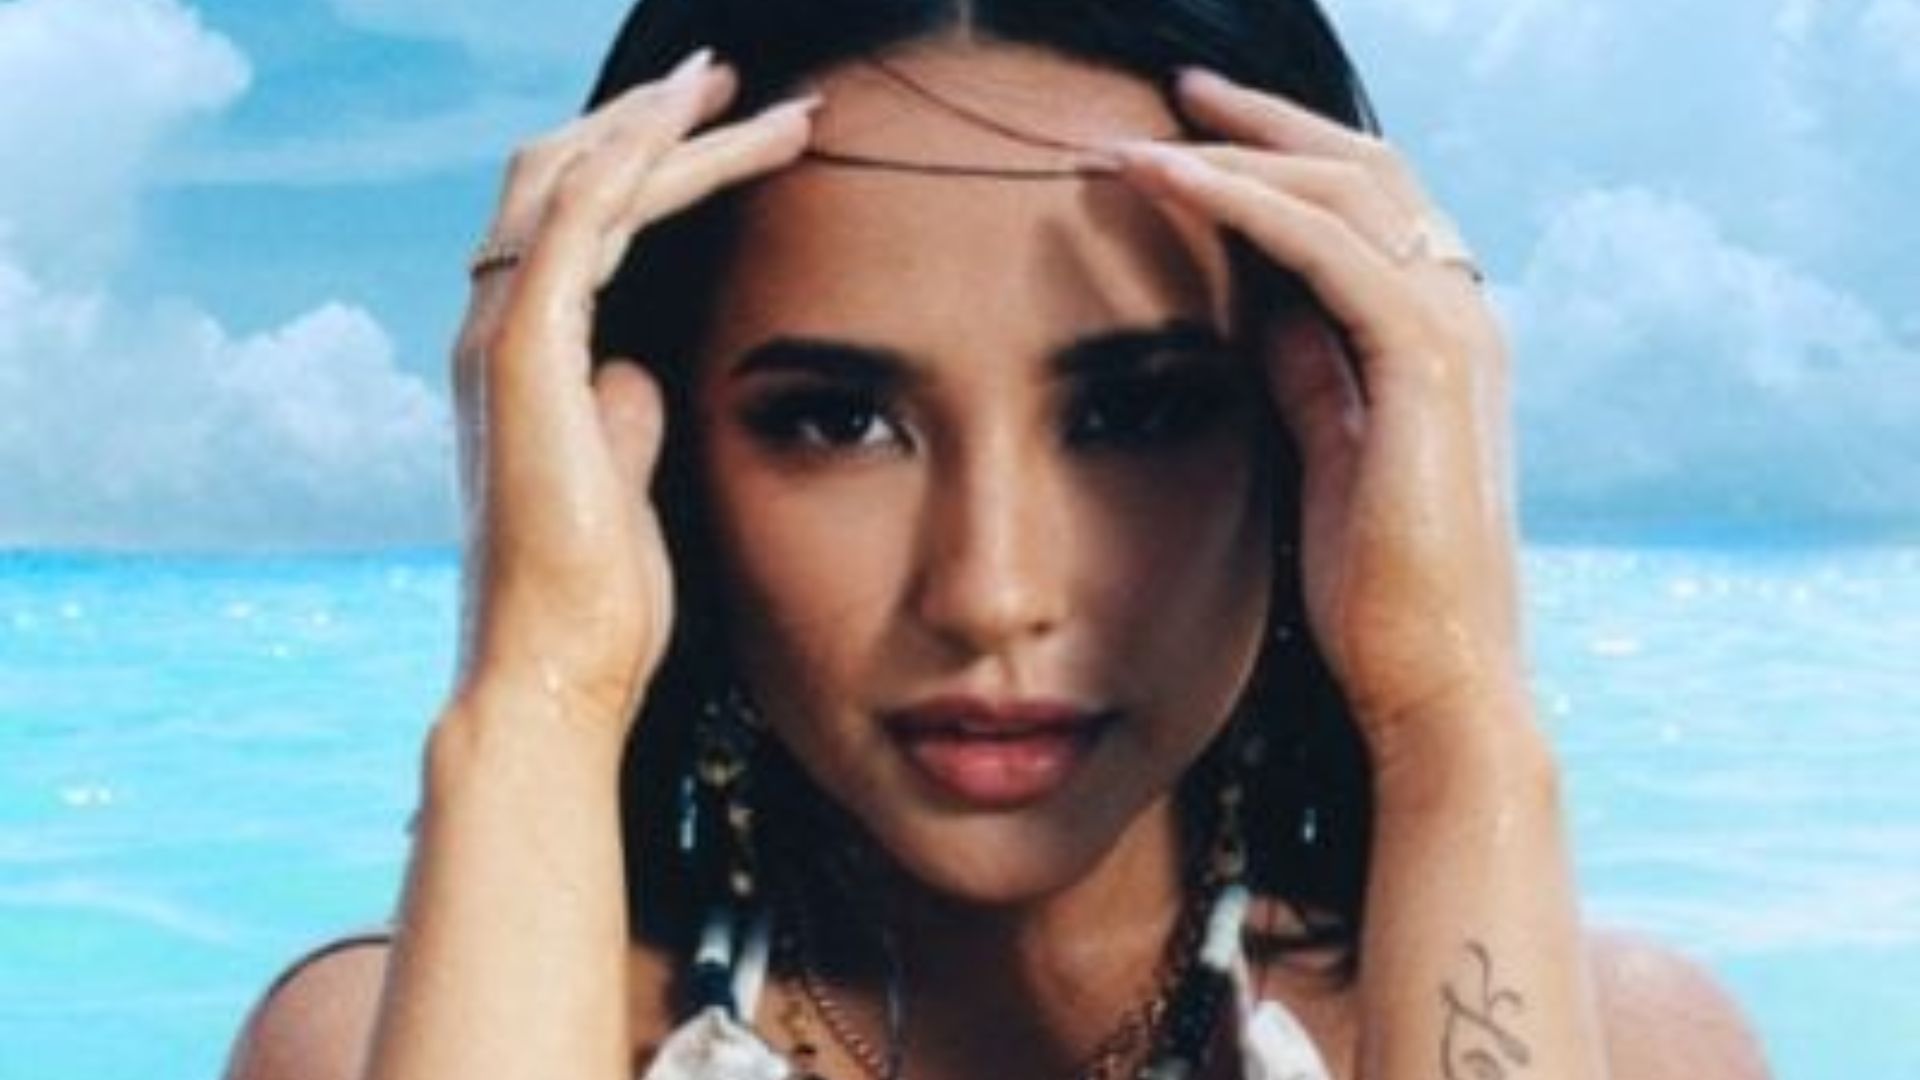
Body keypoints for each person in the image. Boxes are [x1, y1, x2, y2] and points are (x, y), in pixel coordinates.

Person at [224, 2, 1772, 1078]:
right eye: (837, 420)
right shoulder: (368, 1051)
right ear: (657, 458)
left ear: (1318, 436)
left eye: (1138, 413)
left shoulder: (1632, 1049)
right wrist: (539, 698)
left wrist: (1450, 710)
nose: (993, 592)